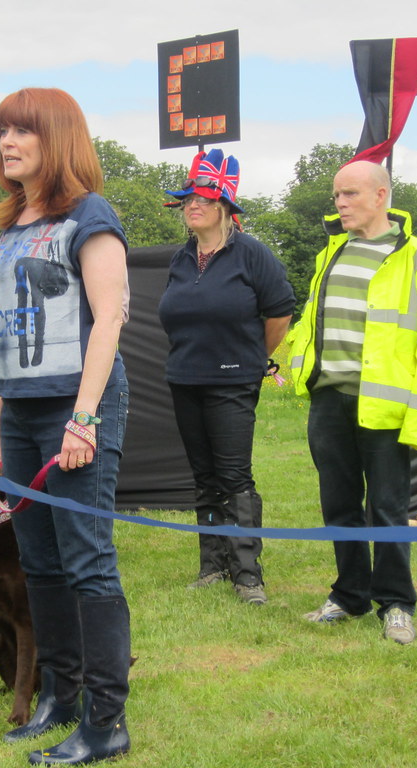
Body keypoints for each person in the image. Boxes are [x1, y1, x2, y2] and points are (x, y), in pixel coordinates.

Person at [0, 87, 132, 765]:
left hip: (77, 407)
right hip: (18, 411)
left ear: (59, 138)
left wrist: (84, 417)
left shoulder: (90, 216)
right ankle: (58, 697)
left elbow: (110, 317)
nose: (8, 142)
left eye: (23, 131)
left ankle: (106, 722)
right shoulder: (12, 224)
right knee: (38, 561)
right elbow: (5, 331)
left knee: (86, 559)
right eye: (3, 130)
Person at [289, 160, 417, 645]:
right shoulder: (331, 252)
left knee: (387, 508)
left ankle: (398, 603)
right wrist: (299, 366)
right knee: (338, 505)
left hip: (385, 409)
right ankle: (348, 596)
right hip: (329, 402)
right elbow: (313, 319)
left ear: (381, 196)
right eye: (337, 195)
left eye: (351, 194)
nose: (340, 204)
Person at [159, 149, 295, 605]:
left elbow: (279, 312)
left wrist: (254, 358)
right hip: (185, 378)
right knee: (204, 477)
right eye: (187, 200)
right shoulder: (180, 259)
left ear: (224, 207)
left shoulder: (252, 254)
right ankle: (211, 564)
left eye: (201, 199)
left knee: (235, 475)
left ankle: (247, 573)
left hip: (233, 381)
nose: (191, 206)